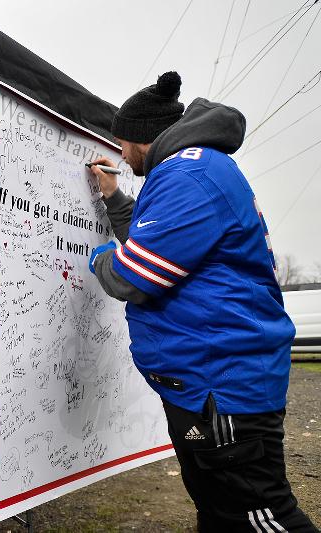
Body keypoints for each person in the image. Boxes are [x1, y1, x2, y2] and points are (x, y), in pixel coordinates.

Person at [86, 71, 318, 532]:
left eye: (121, 142)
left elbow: (136, 275)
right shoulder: (191, 169)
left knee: (259, 517)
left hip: (222, 385)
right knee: (219, 515)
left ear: (139, 137)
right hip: (208, 382)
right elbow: (163, 246)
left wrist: (100, 256)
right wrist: (114, 199)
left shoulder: (188, 173)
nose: (120, 153)